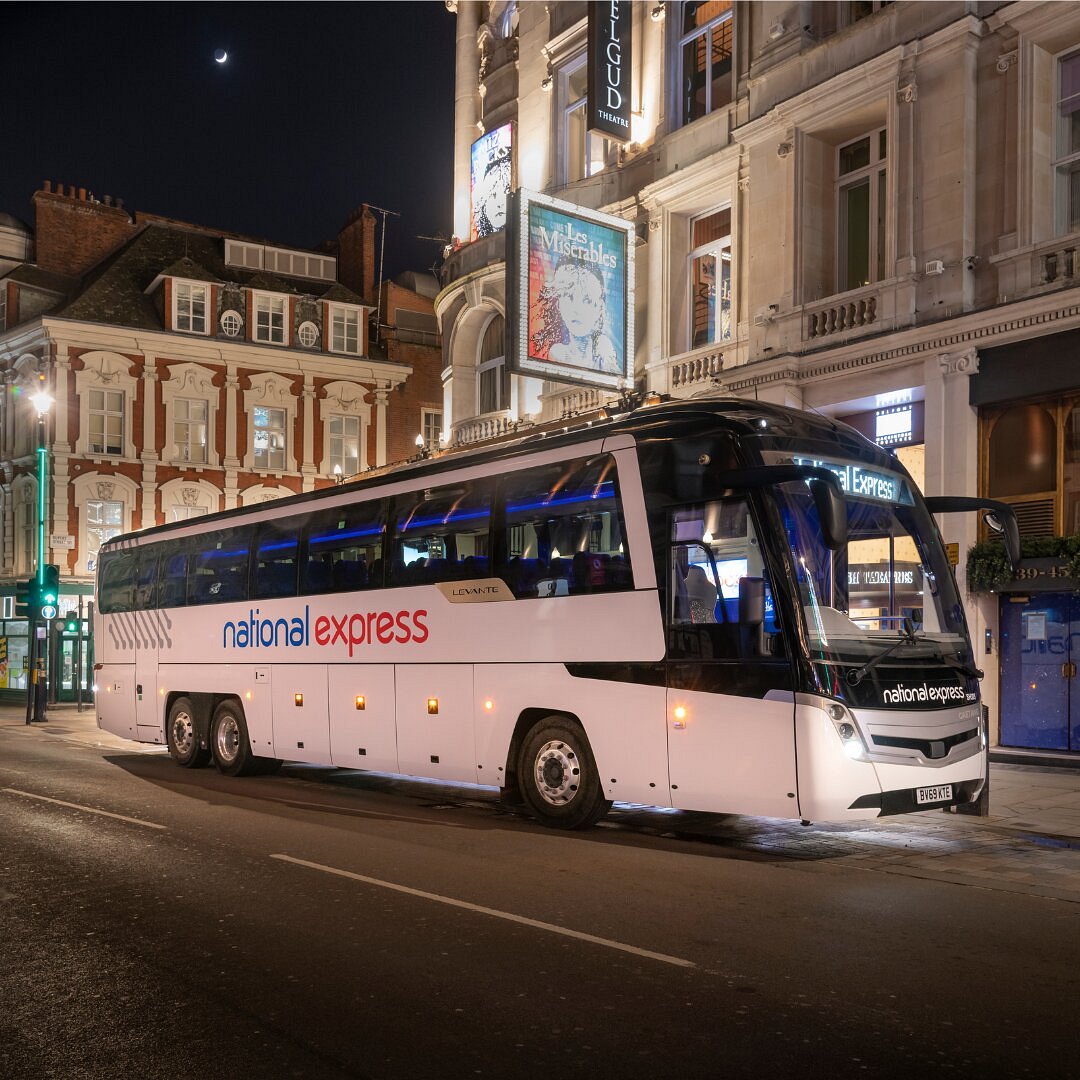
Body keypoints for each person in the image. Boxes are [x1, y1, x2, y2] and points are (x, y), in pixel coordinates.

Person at [531, 256, 619, 373]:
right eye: (568, 297)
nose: (576, 309)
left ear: (600, 308)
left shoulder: (604, 349)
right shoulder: (558, 353)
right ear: (558, 304)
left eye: (587, 300)